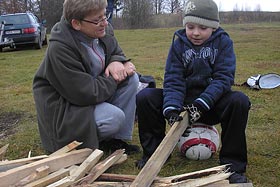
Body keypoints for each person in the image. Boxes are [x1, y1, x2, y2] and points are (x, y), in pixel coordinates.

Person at [135, 0, 251, 184]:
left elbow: (223, 79)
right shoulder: (179, 43)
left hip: (210, 104)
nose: (195, 33)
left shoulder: (224, 42)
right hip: (183, 103)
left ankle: (232, 165)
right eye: (190, 27)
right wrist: (172, 108)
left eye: (203, 28)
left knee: (239, 101)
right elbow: (174, 78)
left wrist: (201, 104)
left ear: (214, 27)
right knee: (145, 97)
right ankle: (154, 155)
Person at [33, 0, 140, 155]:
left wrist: (117, 61)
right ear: (76, 24)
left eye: (105, 16)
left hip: (92, 92)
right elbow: (86, 93)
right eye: (97, 20)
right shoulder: (60, 48)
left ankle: (115, 141)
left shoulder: (103, 29)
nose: (104, 23)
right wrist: (115, 76)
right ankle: (88, 142)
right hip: (67, 105)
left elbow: (115, 50)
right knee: (114, 118)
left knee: (132, 80)